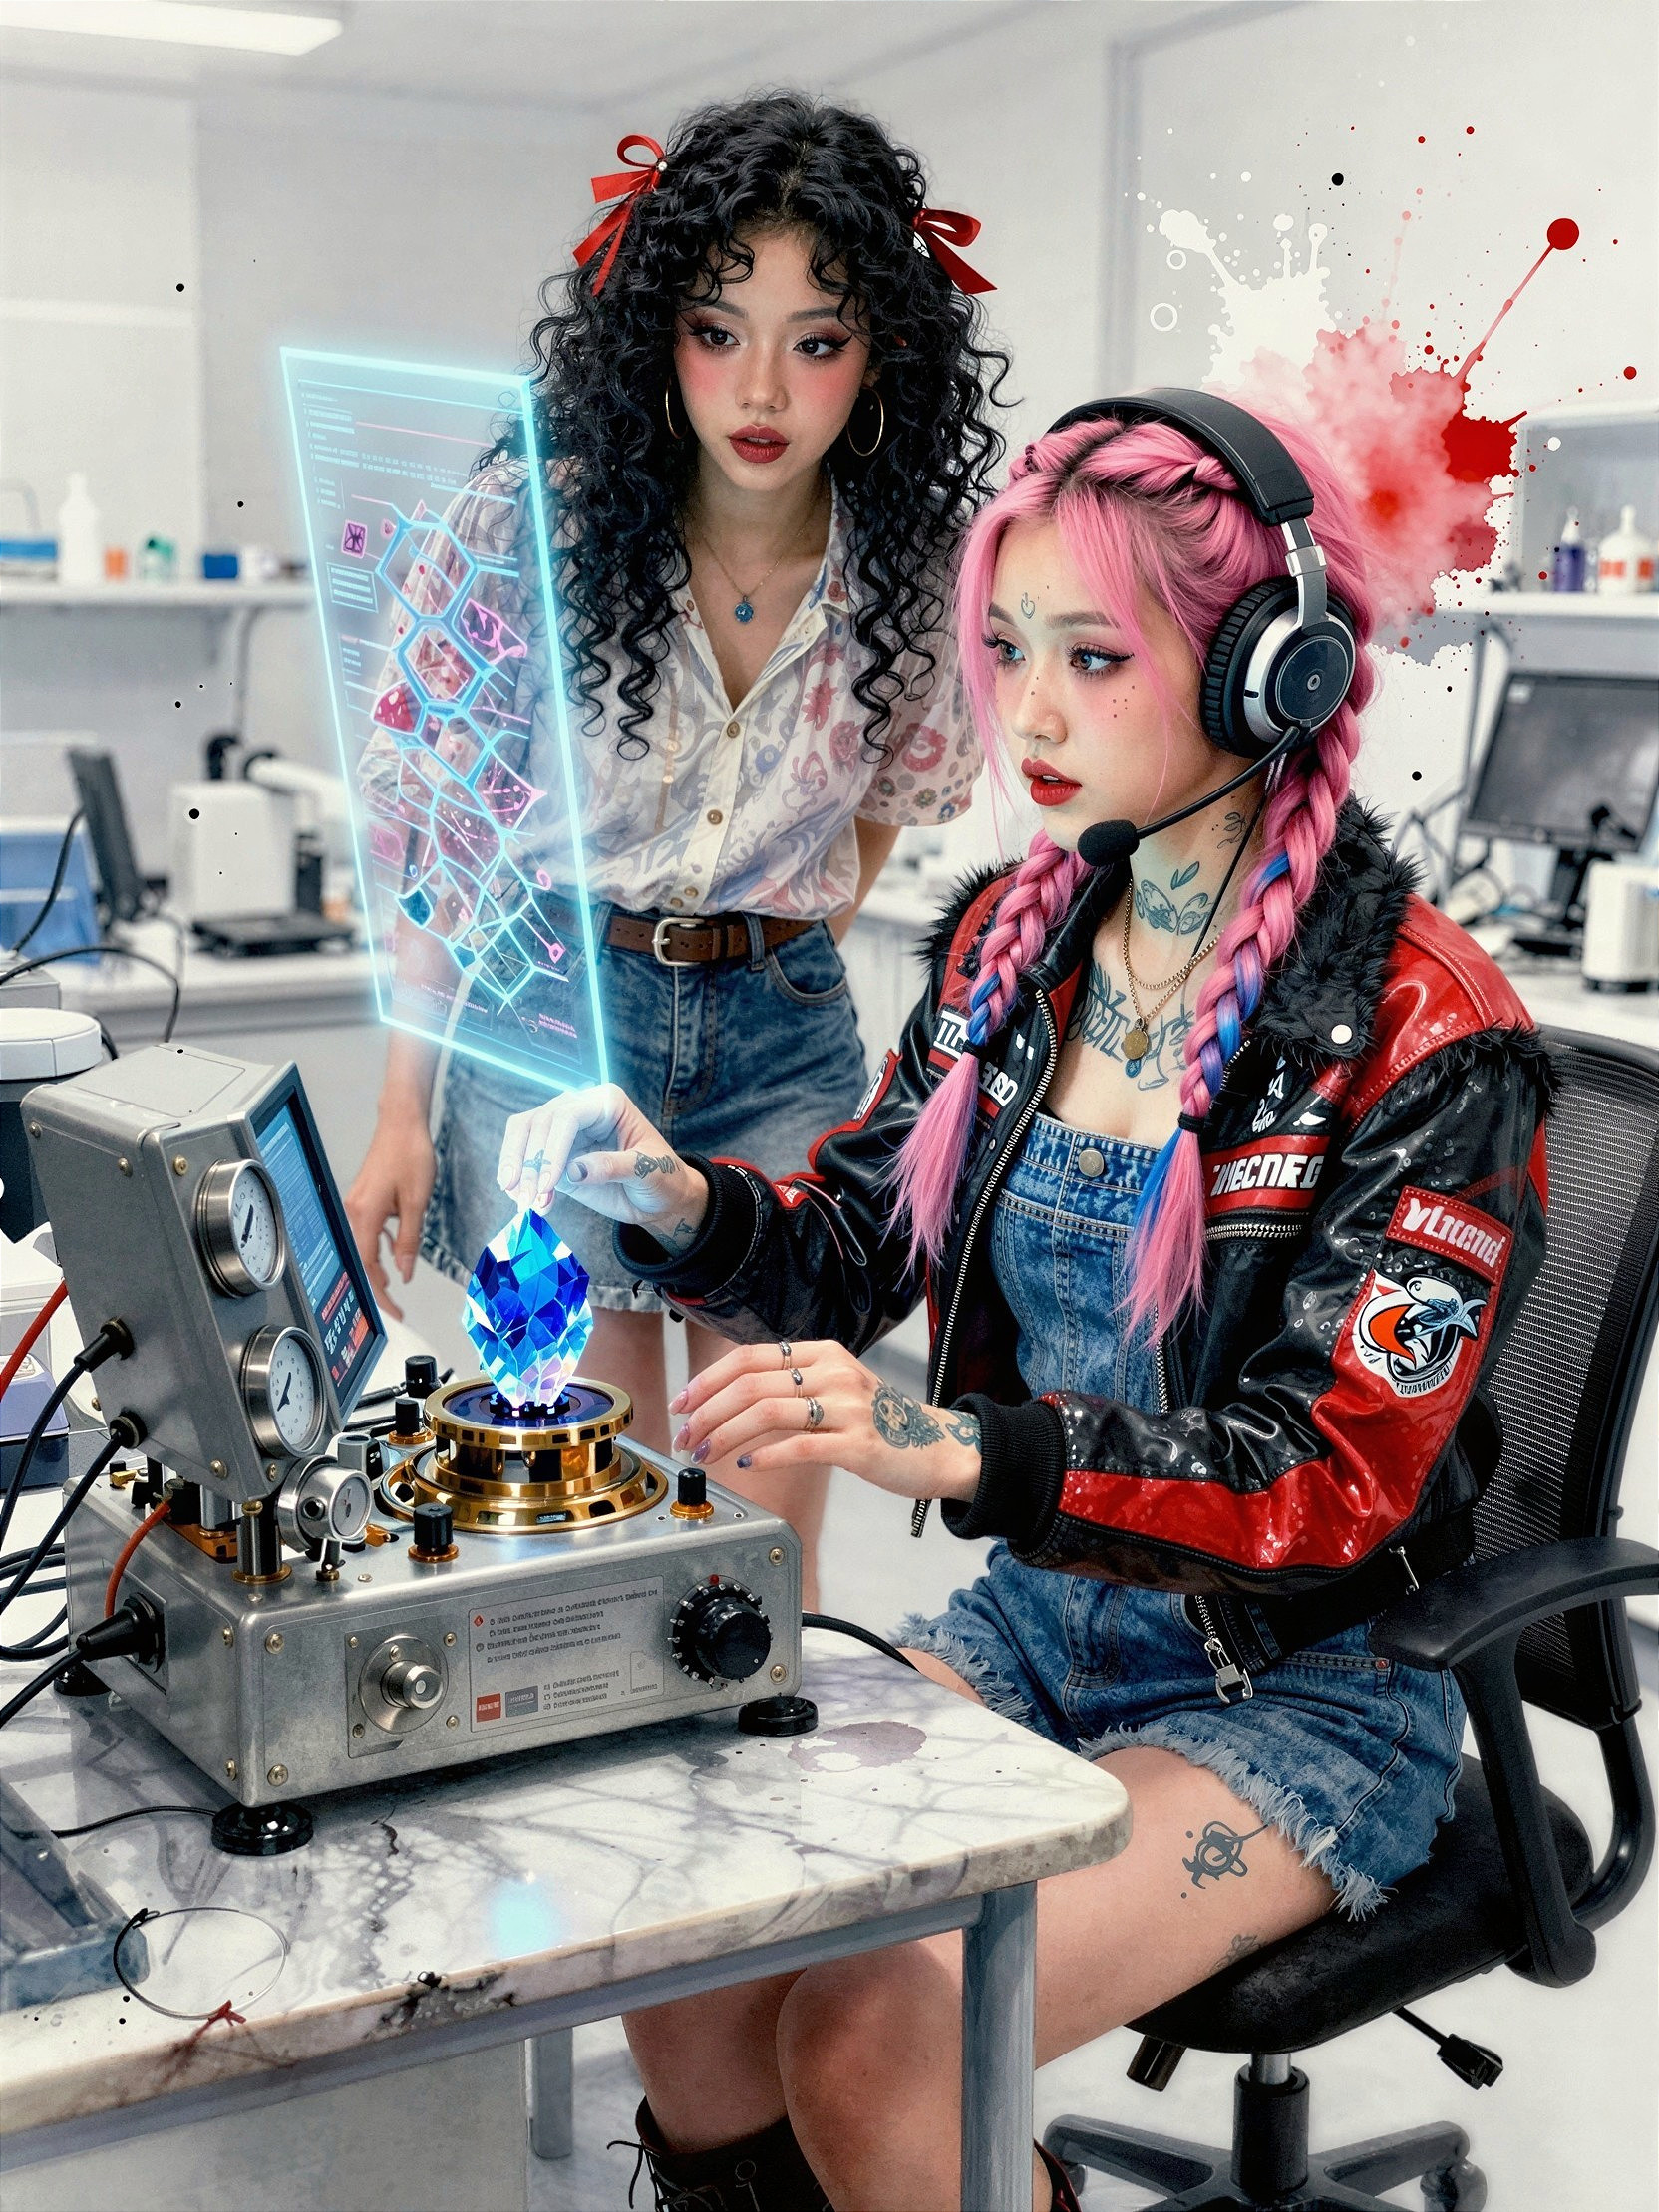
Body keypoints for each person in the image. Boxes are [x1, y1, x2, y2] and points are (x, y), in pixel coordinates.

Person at [496, 399, 1552, 2212]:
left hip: (1307, 1695)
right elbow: (845, 1242)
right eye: (1005, 652)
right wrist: (675, 1205)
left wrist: (945, 1439)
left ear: (1266, 679)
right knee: (683, 1936)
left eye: (1090, 656)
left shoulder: (1429, 1036)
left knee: (880, 2040)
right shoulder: (1011, 943)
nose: (1030, 714)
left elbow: (1319, 1483)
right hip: (1051, 1634)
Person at [346, 94, 1007, 1607]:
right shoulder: (531, 526)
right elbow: (443, 830)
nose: (762, 385)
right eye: (720, 330)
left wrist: (765, 966)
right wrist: (401, 1107)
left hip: (781, 1038)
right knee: (607, 1517)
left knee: (759, 1554)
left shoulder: (911, 570)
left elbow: (886, 804)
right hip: (550, 1021)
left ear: (883, 355)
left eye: (817, 341)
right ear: (658, 334)